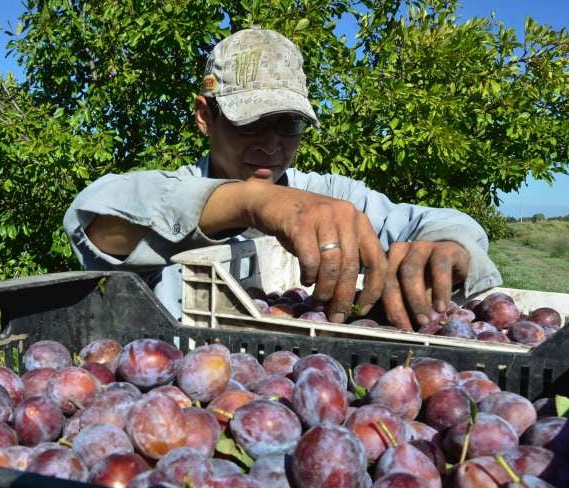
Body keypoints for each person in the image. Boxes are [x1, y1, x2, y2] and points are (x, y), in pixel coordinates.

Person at [63, 27, 501, 329]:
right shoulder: (172, 190)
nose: (271, 146)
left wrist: (450, 249)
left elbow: (434, 221)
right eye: (250, 123)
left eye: (288, 124)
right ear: (204, 116)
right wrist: (252, 201)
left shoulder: (330, 196)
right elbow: (97, 220)